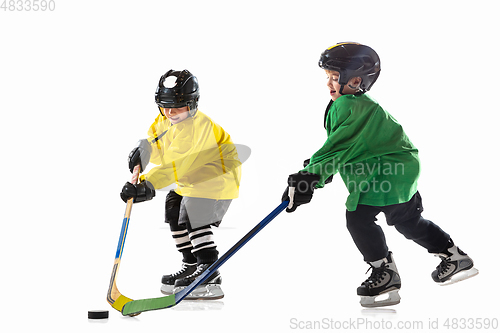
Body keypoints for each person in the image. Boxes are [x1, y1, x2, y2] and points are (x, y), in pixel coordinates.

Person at [282, 42, 478, 307]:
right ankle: (454, 257)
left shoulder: (352, 105)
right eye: (326, 76)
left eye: (334, 77)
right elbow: (342, 148)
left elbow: (340, 146)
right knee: (407, 221)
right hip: (398, 167)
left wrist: (308, 176)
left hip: (386, 170)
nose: (328, 82)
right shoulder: (352, 103)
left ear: (355, 80)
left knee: (359, 219)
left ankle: (384, 272)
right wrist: (315, 173)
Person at [120, 69, 241, 300]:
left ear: (192, 103)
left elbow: (176, 165)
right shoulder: (166, 119)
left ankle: (208, 269)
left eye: (177, 105)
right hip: (193, 177)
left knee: (195, 212)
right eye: (164, 105)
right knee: (174, 205)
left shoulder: (197, 128)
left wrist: (147, 185)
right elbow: (158, 142)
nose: (170, 111)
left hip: (216, 177)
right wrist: (145, 151)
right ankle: (191, 263)